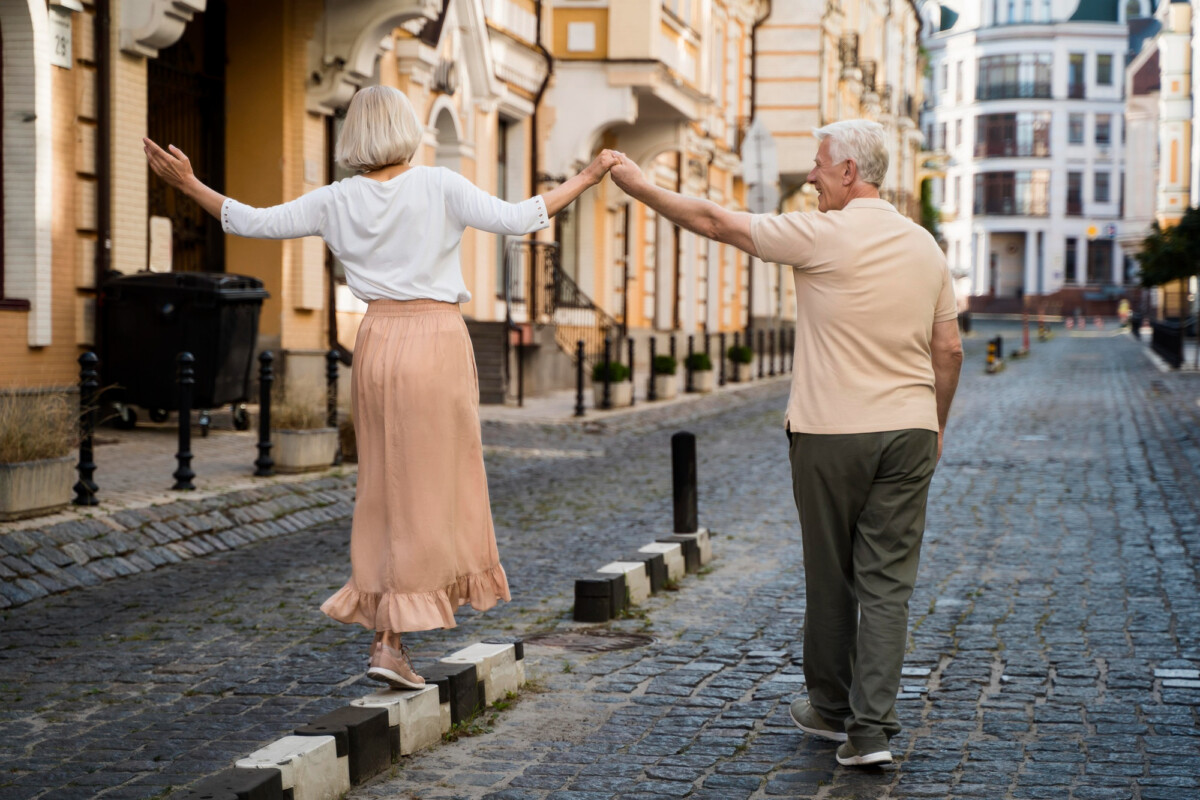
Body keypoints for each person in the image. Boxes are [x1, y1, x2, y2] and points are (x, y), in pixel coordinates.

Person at [145, 85, 616, 690]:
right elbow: (521, 217)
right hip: (436, 338)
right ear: (406, 128)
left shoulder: (337, 200)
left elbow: (253, 222)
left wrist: (189, 184)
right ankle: (391, 638)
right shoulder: (439, 185)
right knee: (436, 485)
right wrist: (590, 173)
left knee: (386, 487)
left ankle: (389, 634)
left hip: (376, 341)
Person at [608, 119, 963, 767]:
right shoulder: (925, 247)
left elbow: (716, 222)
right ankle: (871, 733)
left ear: (850, 172)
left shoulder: (820, 234)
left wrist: (637, 183)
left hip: (831, 433)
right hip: (910, 431)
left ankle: (830, 709)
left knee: (832, 579)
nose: (810, 176)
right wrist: (935, 423)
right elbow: (950, 349)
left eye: (820, 165)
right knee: (888, 586)